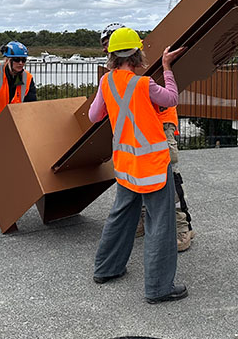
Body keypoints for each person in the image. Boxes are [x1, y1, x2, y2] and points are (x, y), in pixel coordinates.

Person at [89, 26, 188, 304]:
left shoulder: (106, 82)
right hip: (153, 164)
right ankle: (159, 288)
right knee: (161, 224)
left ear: (112, 57)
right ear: (137, 54)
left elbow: (94, 115)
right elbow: (171, 99)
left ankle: (106, 269)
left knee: (120, 216)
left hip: (125, 164)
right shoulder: (144, 84)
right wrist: (167, 67)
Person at [99, 23, 195, 252]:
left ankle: (182, 227)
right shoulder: (115, 77)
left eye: (108, 46)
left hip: (160, 123)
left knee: (169, 176)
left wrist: (166, 67)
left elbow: (166, 98)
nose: (105, 51)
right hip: (140, 131)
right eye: (104, 46)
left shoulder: (139, 70)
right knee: (138, 176)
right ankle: (142, 220)